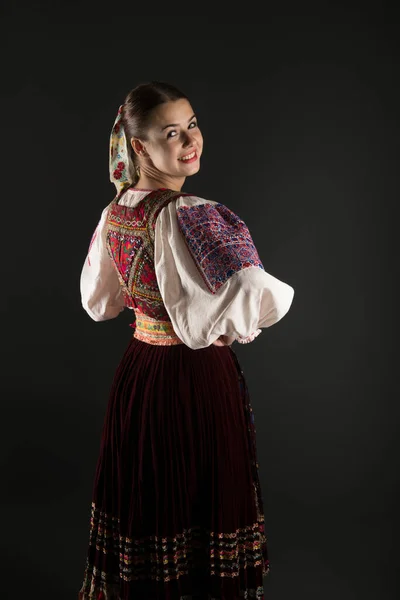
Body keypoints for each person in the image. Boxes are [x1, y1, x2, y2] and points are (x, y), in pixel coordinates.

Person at [78, 81, 295, 600]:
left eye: (192, 124)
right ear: (139, 147)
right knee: (198, 496)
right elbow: (257, 290)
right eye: (171, 132)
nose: (189, 140)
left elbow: (99, 302)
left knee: (151, 495)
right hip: (192, 377)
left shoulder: (117, 213)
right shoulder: (191, 212)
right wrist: (236, 327)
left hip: (140, 373)